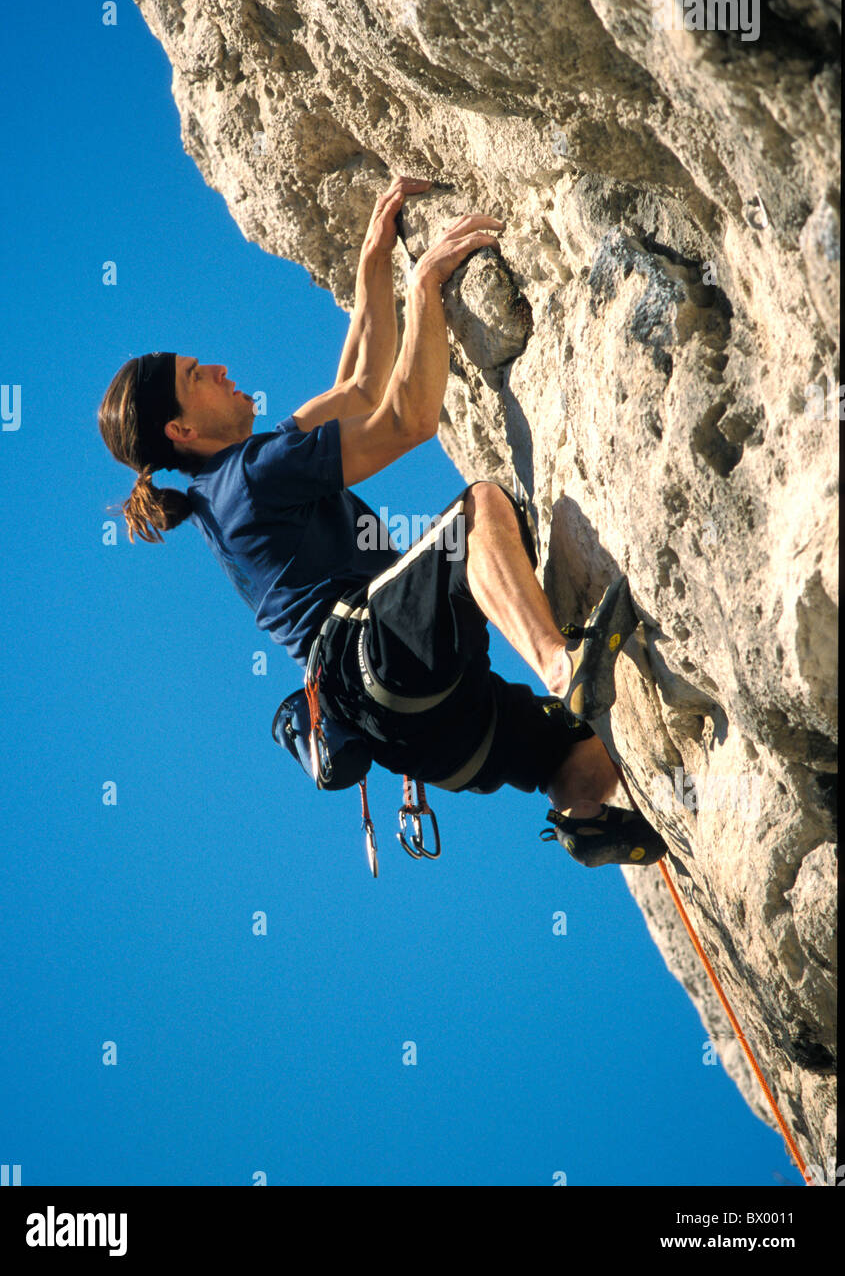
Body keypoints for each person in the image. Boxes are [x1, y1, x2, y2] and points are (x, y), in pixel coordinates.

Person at [97, 175, 666, 868]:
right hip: (368, 656)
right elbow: (406, 419)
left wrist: (376, 256)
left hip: (411, 732)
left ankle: (583, 818)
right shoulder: (252, 473)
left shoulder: (228, 489)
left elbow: (361, 386)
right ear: (182, 429)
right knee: (482, 509)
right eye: (195, 375)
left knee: (581, 755)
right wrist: (424, 284)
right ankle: (558, 664)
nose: (217, 368)